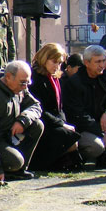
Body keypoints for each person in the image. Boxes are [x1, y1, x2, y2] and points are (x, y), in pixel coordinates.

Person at [28, 43, 82, 171]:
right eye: (54, 62)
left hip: (54, 120)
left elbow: (59, 107)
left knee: (71, 133)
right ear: (44, 59)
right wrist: (61, 124)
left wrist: (63, 122)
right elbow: (39, 108)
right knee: (67, 136)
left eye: (59, 63)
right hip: (41, 121)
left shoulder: (55, 78)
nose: (57, 66)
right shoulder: (35, 78)